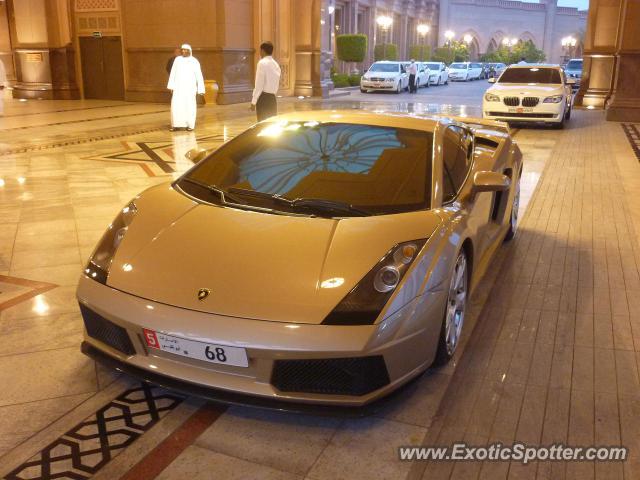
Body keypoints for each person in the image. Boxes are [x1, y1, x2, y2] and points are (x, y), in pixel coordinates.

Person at [167, 44, 205, 131]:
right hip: (178, 87)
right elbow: (173, 73)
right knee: (176, 105)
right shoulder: (177, 60)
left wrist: (201, 89)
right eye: (182, 50)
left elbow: (199, 75)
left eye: (185, 50)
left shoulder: (194, 61)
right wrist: (171, 86)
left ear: (189, 51)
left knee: (189, 106)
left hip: (190, 88)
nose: (184, 51)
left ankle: (190, 125)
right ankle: (175, 124)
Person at [250, 41, 281, 121]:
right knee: (271, 124)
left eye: (260, 51)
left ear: (263, 51)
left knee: (262, 124)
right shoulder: (276, 65)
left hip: (263, 99)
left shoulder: (262, 63)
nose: (260, 53)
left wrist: (254, 101)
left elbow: (259, 84)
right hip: (273, 99)